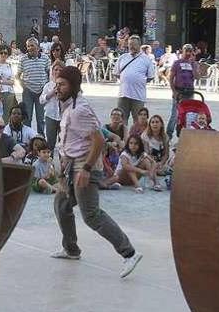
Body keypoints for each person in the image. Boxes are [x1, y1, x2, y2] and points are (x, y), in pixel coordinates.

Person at [50, 65, 142, 278]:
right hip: (73, 163)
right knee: (62, 204)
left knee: (91, 215)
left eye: (62, 84)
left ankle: (129, 253)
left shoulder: (81, 109)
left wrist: (87, 169)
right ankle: (71, 249)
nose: (58, 88)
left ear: (73, 85)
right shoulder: (68, 105)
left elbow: (99, 140)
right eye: (57, 84)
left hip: (85, 165)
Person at [113, 35, 156, 126]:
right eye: (130, 44)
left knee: (139, 121)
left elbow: (151, 76)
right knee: (121, 120)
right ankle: (123, 139)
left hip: (138, 96)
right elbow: (116, 73)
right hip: (123, 94)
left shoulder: (146, 59)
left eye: (134, 44)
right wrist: (127, 80)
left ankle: (137, 139)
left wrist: (138, 81)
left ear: (139, 45)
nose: (131, 46)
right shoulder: (123, 57)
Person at [17, 38, 50, 133]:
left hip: (41, 91)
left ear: (38, 47)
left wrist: (47, 86)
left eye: (32, 45)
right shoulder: (23, 59)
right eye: (28, 46)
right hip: (28, 91)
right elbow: (17, 75)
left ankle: (40, 137)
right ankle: (27, 138)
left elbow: (49, 73)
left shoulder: (45, 58)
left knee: (41, 118)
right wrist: (22, 85)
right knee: (27, 117)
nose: (30, 48)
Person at [40, 61, 65, 150]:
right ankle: (49, 162)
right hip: (50, 116)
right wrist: (50, 94)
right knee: (50, 142)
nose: (57, 72)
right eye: (55, 70)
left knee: (64, 142)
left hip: (63, 116)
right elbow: (41, 100)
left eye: (60, 70)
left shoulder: (66, 85)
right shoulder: (48, 85)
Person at [0, 45, 17, 117]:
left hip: (9, 93)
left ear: (8, 54)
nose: (3, 55)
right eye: (1, 53)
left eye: (5, 53)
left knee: (7, 116)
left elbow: (13, 81)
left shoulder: (10, 65)